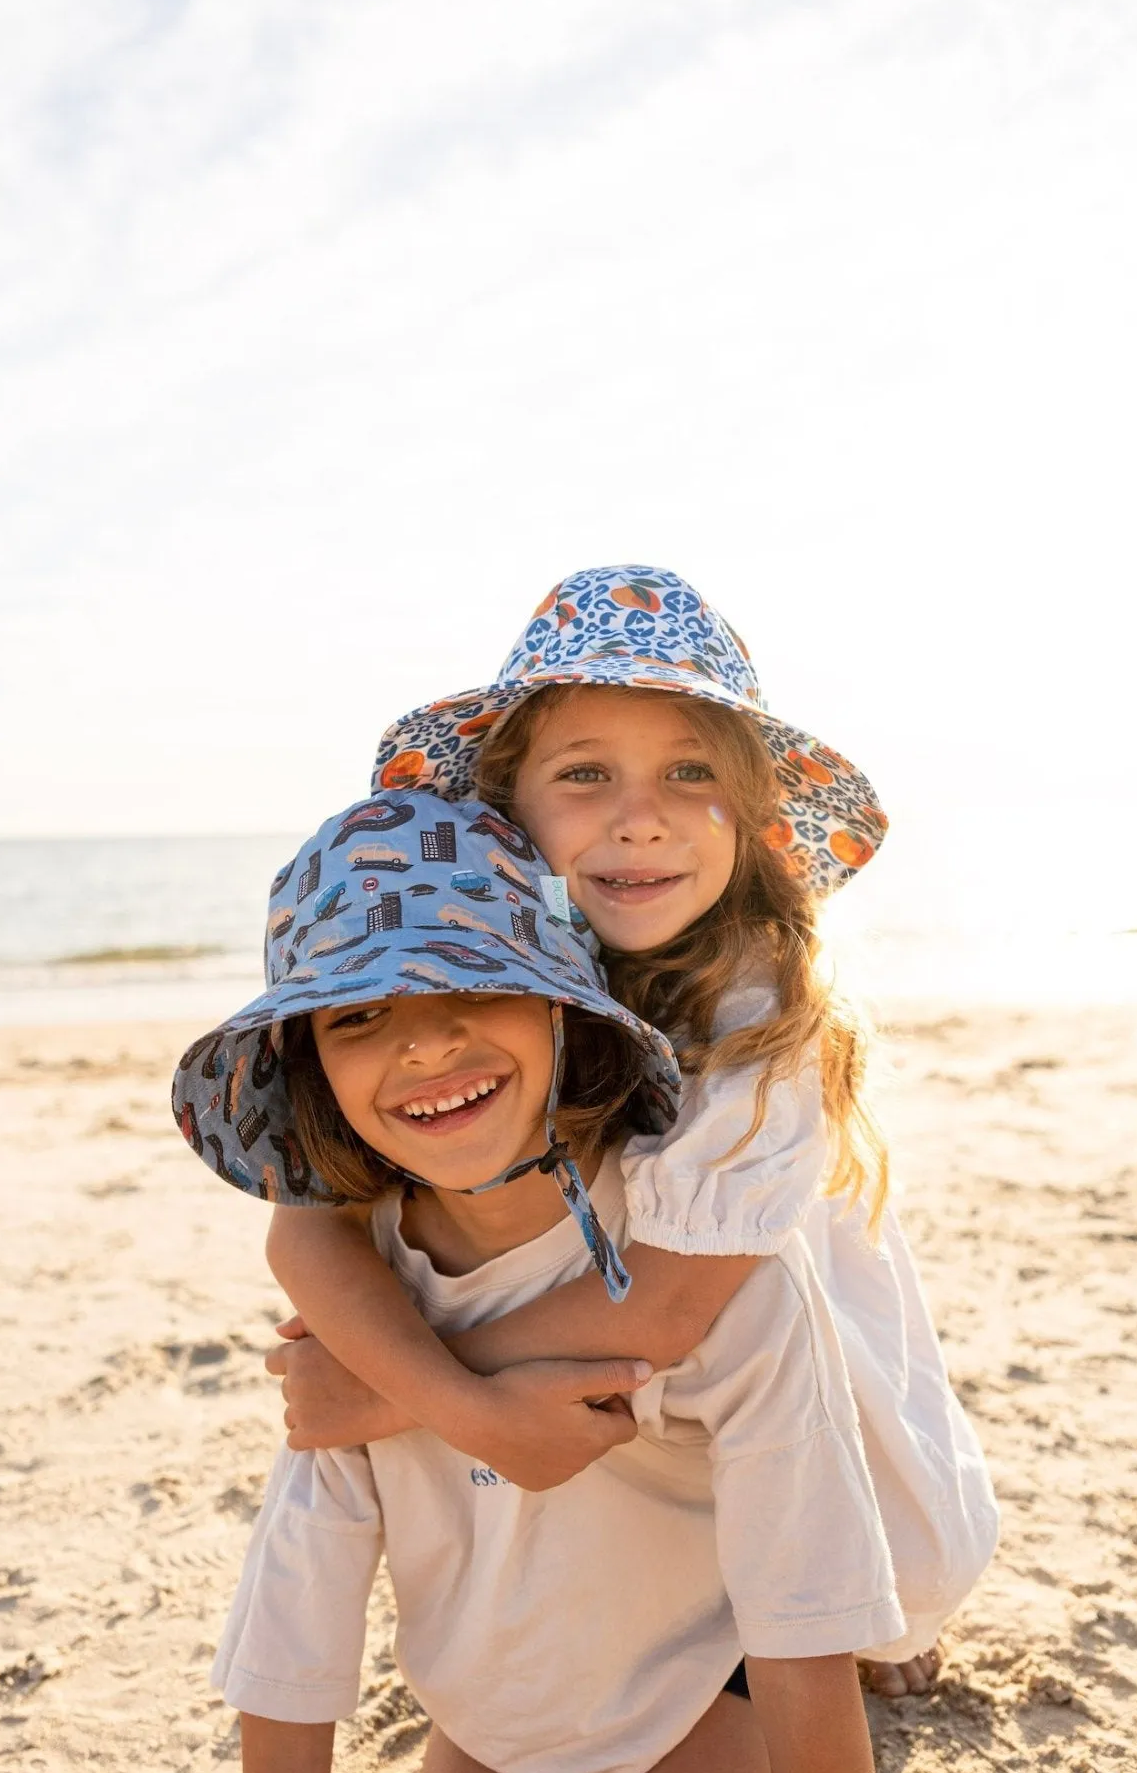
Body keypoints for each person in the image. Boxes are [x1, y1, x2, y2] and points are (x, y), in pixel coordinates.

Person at [29, 791, 903, 1773]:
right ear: (311, 1068)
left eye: (473, 986)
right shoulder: (359, 1300)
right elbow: (298, 1607)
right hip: (525, 1657)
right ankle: (549, 1741)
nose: (427, 1046)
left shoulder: (701, 1259)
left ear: (562, 1003)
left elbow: (805, 1624)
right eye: (363, 1016)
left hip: (723, 1651)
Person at [268, 567, 997, 1697]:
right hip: (621, 1420)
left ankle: (810, 1634)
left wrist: (393, 1387)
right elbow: (311, 1221)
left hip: (782, 1409)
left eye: (689, 772)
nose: (639, 814)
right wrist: (440, 1383)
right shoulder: (476, 974)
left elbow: (665, 1305)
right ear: (509, 809)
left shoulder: (762, 1012)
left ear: (751, 819)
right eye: (585, 773)